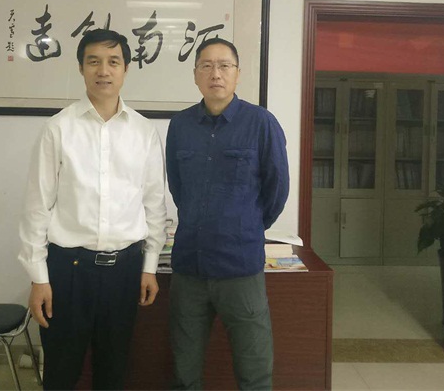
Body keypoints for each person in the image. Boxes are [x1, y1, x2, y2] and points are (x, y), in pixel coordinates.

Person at [18, 29, 167, 390]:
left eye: (113, 62)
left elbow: (154, 204)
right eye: (94, 61)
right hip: (68, 270)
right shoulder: (58, 128)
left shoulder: (144, 132)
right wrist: (38, 277)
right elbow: (37, 207)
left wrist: (149, 266)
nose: (104, 70)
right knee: (61, 372)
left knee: (113, 371)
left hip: (125, 270)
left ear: (126, 69)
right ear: (81, 68)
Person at [165, 37, 290, 390]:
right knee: (184, 371)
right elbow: (178, 187)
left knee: (254, 372)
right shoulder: (180, 126)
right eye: (206, 66)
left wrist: (244, 226)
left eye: (224, 66)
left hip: (240, 268)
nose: (215, 74)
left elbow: (277, 190)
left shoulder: (261, 123)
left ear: (237, 73)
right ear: (195, 75)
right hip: (189, 267)